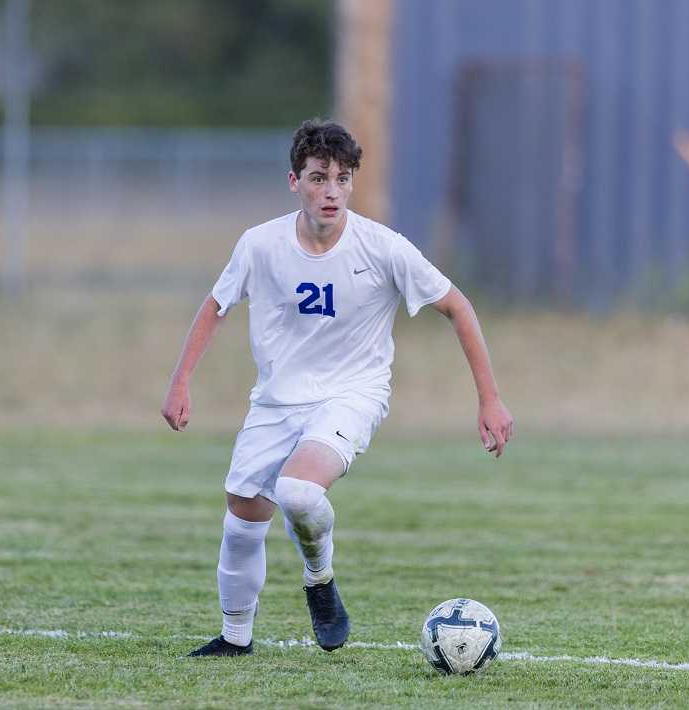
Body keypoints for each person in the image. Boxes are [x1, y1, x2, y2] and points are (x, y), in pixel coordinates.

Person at [162, 119, 513, 656]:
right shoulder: (260, 245)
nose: (332, 191)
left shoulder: (382, 247)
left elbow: (457, 306)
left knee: (299, 492)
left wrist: (489, 398)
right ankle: (235, 639)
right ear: (294, 181)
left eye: (343, 179)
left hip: (353, 393)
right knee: (241, 518)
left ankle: (319, 579)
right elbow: (216, 306)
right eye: (319, 177)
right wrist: (181, 380)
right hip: (277, 400)